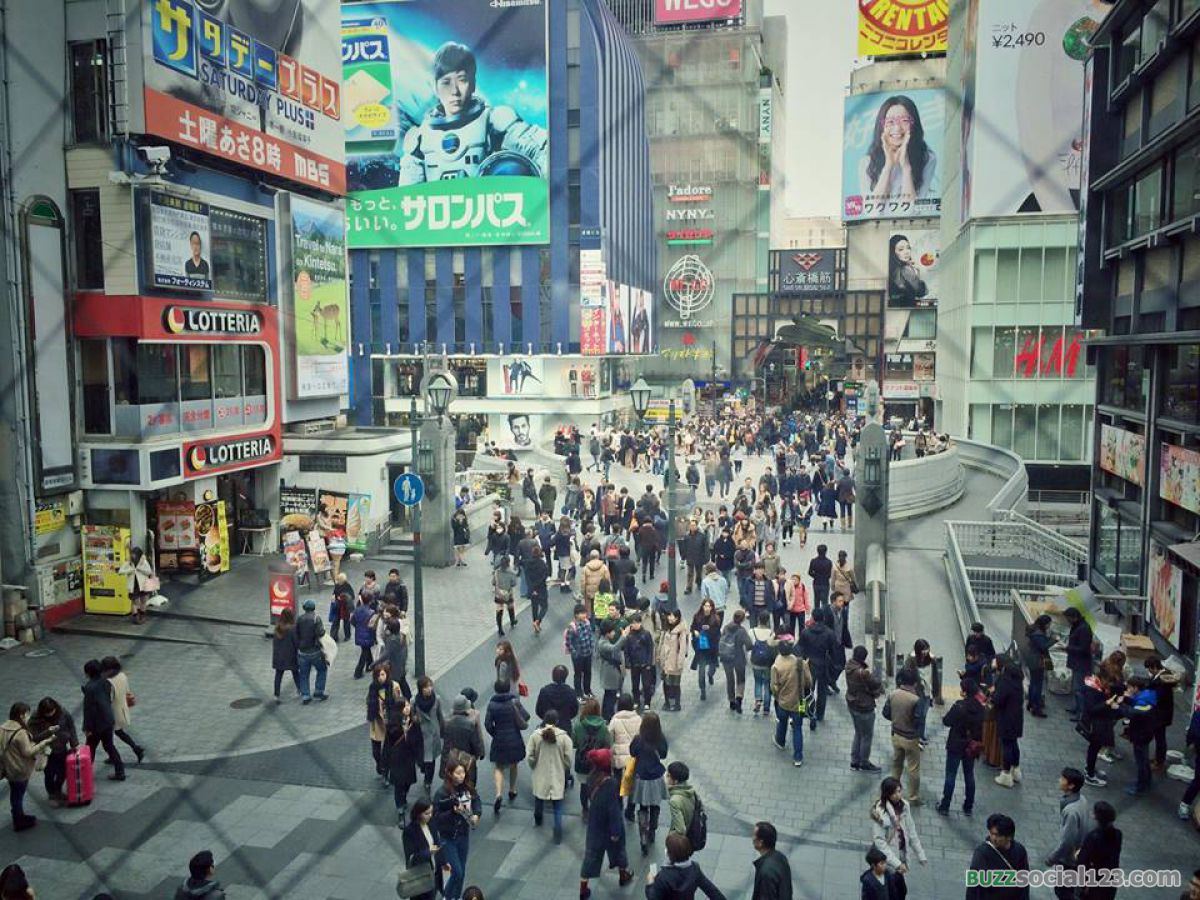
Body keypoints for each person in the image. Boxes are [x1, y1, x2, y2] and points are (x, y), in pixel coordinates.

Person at [859, 95, 937, 205]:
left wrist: (906, 167)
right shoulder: (866, 163)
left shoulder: (927, 159)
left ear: (914, 124)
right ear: (881, 127)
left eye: (904, 120)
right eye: (890, 122)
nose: (897, 128)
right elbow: (871, 211)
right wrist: (888, 165)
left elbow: (911, 211)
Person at [579, 748, 634, 898]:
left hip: (595, 825)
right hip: (610, 828)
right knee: (618, 852)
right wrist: (616, 831)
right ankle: (623, 876)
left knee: (591, 856)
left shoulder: (591, 778)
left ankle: (583, 888)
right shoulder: (610, 784)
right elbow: (613, 810)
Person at [0, 702, 55, 831]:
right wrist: (45, 742)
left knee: (15, 793)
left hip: (8, 767)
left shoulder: (2, 728)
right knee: (18, 794)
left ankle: (19, 815)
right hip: (20, 768)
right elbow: (28, 752)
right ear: (21, 715)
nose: (28, 716)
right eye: (27, 714)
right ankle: (19, 820)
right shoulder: (20, 733)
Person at [431, 762, 482, 900]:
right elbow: (436, 817)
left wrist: (477, 814)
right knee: (457, 872)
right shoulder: (442, 793)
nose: (461, 776)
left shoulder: (468, 788)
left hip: (463, 835)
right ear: (450, 774)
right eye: (458, 773)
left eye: (463, 773)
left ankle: (455, 897)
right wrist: (452, 812)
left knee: (461, 871)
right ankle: (448, 896)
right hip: (448, 837)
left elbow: (477, 800)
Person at [870, 777, 927, 896]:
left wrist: (920, 854)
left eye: (899, 791)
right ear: (887, 794)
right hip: (887, 860)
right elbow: (880, 842)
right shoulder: (881, 813)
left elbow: (911, 831)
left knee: (899, 891)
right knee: (894, 892)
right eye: (894, 792)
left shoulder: (905, 806)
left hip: (901, 855)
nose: (897, 795)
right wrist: (897, 863)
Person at [936, 678, 984, 816]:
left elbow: (947, 721)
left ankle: (945, 805)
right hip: (971, 746)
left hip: (956, 744)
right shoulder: (980, 708)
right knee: (969, 775)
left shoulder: (959, 706)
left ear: (964, 691)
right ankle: (968, 805)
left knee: (951, 775)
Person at [526, 709, 573, 843]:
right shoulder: (564, 737)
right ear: (557, 721)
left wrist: (533, 765)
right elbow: (568, 758)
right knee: (558, 804)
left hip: (540, 772)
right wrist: (564, 767)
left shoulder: (535, 736)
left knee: (539, 798)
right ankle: (557, 829)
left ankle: (538, 819)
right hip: (557, 773)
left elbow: (530, 755)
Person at [485, 678, 529, 815]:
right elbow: (526, 716)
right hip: (514, 737)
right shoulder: (514, 701)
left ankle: (498, 793)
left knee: (498, 766)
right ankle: (512, 789)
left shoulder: (492, 704)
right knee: (514, 764)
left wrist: (495, 733)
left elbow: (487, 724)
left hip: (499, 738)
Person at [629, 711, 670, 854]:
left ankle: (643, 836)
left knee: (643, 806)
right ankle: (653, 828)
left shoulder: (639, 739)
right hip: (656, 777)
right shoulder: (660, 739)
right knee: (655, 804)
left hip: (641, 776)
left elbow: (632, 753)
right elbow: (664, 754)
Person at [964, 814, 1031, 900]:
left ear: (1009, 837)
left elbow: (1024, 881)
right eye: (992, 833)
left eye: (998, 835)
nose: (994, 838)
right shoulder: (982, 853)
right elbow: (973, 887)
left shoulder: (1019, 851)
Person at [27, 697, 77, 807]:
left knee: (63, 771)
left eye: (52, 711)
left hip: (62, 748)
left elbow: (71, 726)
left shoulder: (63, 712)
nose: (50, 714)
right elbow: (34, 737)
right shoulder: (35, 719)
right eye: (47, 713)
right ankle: (52, 794)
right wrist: (48, 732)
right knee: (49, 773)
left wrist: (74, 743)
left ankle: (58, 790)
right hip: (47, 751)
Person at [644, 833, 726, 900]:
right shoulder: (695, 869)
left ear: (670, 854)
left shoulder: (662, 877)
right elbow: (712, 891)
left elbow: (653, 897)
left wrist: (651, 883)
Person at [81, 658, 125, 781]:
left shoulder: (89, 688)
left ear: (88, 673)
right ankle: (120, 771)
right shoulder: (105, 682)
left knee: (90, 748)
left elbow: (88, 710)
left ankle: (85, 774)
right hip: (107, 720)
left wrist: (87, 727)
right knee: (109, 746)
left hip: (95, 724)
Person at [770, 641, 811, 768]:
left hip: (783, 701)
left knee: (782, 722)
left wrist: (777, 696)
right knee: (798, 728)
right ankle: (798, 757)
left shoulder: (777, 665)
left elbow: (774, 686)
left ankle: (780, 741)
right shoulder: (800, 662)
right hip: (800, 701)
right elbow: (809, 681)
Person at [884, 668, 921, 805]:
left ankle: (892, 792)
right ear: (915, 683)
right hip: (910, 738)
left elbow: (886, 713)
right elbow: (919, 721)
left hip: (896, 734)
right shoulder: (915, 700)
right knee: (913, 768)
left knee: (896, 765)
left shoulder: (893, 694)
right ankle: (913, 797)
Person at [846, 645, 884, 774]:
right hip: (864, 706)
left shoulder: (849, 666)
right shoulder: (863, 673)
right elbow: (876, 682)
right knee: (866, 735)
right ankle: (864, 762)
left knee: (858, 732)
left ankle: (854, 761)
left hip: (852, 703)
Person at [100, 656, 145, 765]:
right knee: (119, 732)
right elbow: (127, 691)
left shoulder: (108, 682)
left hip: (112, 712)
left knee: (109, 736)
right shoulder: (122, 675)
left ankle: (116, 755)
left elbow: (107, 699)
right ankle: (135, 749)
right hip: (122, 709)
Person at [798, 607, 837, 728]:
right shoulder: (830, 633)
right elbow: (832, 651)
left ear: (813, 618)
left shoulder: (805, 632)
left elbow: (801, 649)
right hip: (823, 663)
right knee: (822, 691)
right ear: (823, 618)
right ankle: (820, 714)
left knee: (806, 690)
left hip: (809, 664)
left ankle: (803, 711)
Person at [1075, 801, 1122, 900]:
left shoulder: (1093, 837)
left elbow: (1082, 862)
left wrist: (1084, 884)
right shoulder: (1118, 834)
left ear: (1096, 817)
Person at [571, 698, 611, 814]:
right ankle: (595, 807)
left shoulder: (578, 725)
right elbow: (607, 745)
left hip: (582, 760)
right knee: (596, 786)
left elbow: (574, 743)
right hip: (597, 762)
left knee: (583, 786)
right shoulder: (603, 726)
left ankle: (585, 809)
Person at [387, 700, 424, 822]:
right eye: (404, 706)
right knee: (399, 784)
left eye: (408, 705)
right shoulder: (393, 724)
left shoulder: (415, 722)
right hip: (397, 759)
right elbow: (388, 743)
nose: (407, 708)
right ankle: (400, 809)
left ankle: (403, 797)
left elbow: (419, 741)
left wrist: (420, 759)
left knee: (407, 783)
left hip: (409, 758)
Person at [401, 802, 446, 900]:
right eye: (427, 813)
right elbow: (411, 857)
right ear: (418, 814)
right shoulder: (410, 831)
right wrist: (428, 852)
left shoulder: (431, 823)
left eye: (431, 813)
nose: (430, 816)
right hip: (420, 875)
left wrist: (443, 862)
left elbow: (437, 843)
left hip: (434, 871)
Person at [991, 661, 1025, 788]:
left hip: (1006, 718)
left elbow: (997, 700)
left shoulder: (1007, 683)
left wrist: (994, 693)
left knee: (1006, 746)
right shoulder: (1017, 683)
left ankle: (1006, 774)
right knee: (1014, 743)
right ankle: (1015, 769)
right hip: (1017, 718)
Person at [718, 608, 754, 714]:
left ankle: (731, 701)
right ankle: (739, 698)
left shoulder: (726, 627)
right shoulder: (742, 631)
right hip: (739, 658)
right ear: (742, 620)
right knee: (740, 679)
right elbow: (749, 645)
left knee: (730, 680)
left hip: (726, 657)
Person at [413, 676, 446, 795]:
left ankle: (428, 781)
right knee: (422, 760)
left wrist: (443, 731)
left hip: (433, 734)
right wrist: (414, 718)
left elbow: (440, 716)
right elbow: (411, 717)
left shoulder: (437, 699)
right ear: (421, 689)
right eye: (426, 687)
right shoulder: (414, 701)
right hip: (420, 735)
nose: (429, 689)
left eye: (430, 686)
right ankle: (424, 770)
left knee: (431, 761)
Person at [295, 598, 329, 703]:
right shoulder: (316, 619)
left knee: (304, 674)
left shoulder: (299, 619)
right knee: (322, 669)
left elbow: (296, 633)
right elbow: (321, 633)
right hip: (315, 651)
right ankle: (318, 691)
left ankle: (306, 695)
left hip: (302, 652)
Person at [1146, 655, 1175, 772]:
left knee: (1160, 737)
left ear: (1154, 667)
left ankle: (1159, 761)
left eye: (1149, 669)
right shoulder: (1164, 675)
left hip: (1161, 714)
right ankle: (1158, 758)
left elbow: (1158, 696)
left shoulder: (1163, 680)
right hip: (1162, 712)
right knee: (1159, 737)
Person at [1064, 606, 1094, 721]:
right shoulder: (1078, 626)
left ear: (1074, 617)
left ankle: (1081, 713)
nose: (1067, 621)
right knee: (1077, 687)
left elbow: (1083, 648)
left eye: (1068, 618)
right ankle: (1076, 708)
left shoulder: (1083, 629)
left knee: (1080, 688)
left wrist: (1068, 648)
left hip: (1081, 664)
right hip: (1077, 662)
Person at [750, 821, 792, 900]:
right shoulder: (780, 857)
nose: (752, 838)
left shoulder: (766, 871)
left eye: (754, 836)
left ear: (760, 842)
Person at [658, 608, 689, 713]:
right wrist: (659, 656)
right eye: (669, 615)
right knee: (666, 683)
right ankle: (667, 702)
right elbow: (661, 643)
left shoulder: (681, 631)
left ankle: (677, 704)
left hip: (675, 662)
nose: (670, 618)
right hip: (665, 661)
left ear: (677, 617)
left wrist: (680, 663)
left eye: (673, 616)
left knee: (675, 684)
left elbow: (683, 648)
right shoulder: (666, 628)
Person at [536, 665, 580, 737]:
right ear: (566, 677)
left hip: (548, 727)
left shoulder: (544, 691)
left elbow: (538, 710)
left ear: (553, 676)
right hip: (565, 728)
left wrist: (547, 717)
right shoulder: (571, 692)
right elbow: (574, 711)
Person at [597, 621, 629, 720]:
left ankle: (606, 715)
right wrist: (623, 637)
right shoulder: (603, 644)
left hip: (610, 673)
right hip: (609, 674)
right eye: (612, 632)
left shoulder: (603, 640)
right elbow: (615, 648)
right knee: (611, 697)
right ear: (607, 633)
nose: (614, 634)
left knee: (608, 696)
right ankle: (608, 716)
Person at [1024, 615, 1055, 718]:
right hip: (1037, 660)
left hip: (1031, 658)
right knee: (1038, 684)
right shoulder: (1039, 634)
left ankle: (1030, 704)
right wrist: (1054, 640)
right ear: (1045, 624)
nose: (1049, 626)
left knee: (1033, 682)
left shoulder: (1034, 630)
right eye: (1049, 624)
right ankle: (1036, 708)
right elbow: (1043, 646)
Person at [691, 598, 721, 702]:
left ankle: (710, 675)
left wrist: (709, 631)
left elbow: (717, 633)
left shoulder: (716, 619)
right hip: (701, 648)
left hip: (712, 648)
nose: (707, 608)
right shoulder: (697, 617)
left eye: (709, 606)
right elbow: (692, 627)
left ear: (712, 607)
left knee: (712, 668)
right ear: (702, 606)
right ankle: (702, 690)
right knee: (701, 671)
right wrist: (695, 632)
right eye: (705, 606)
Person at [565, 604, 596, 700]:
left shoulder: (587, 623)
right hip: (578, 656)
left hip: (588, 653)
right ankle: (578, 694)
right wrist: (575, 653)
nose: (584, 615)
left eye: (585, 613)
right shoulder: (572, 627)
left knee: (588, 673)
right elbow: (568, 642)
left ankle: (587, 691)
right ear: (576, 615)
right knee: (578, 675)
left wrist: (592, 646)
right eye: (582, 613)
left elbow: (590, 635)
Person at [271, 607, 301, 704]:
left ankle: (276, 695)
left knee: (278, 675)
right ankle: (300, 689)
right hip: (290, 655)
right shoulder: (292, 628)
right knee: (295, 672)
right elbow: (296, 642)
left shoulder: (277, 627)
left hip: (279, 656)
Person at [119, 546, 155, 625]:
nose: (133, 556)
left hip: (143, 584)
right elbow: (121, 571)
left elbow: (149, 572)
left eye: (134, 554)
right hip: (133, 584)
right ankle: (135, 617)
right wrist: (130, 570)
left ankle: (142, 615)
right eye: (132, 554)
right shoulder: (128, 562)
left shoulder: (144, 561)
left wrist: (139, 569)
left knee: (143, 600)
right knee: (134, 601)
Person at [330, 572, 354, 642]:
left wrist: (343, 597)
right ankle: (334, 636)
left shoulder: (347, 586)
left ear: (343, 580)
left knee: (346, 622)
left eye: (339, 580)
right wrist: (333, 596)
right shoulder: (337, 585)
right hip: (338, 605)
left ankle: (347, 636)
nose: (337, 581)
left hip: (345, 607)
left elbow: (352, 596)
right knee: (335, 621)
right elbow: (334, 592)